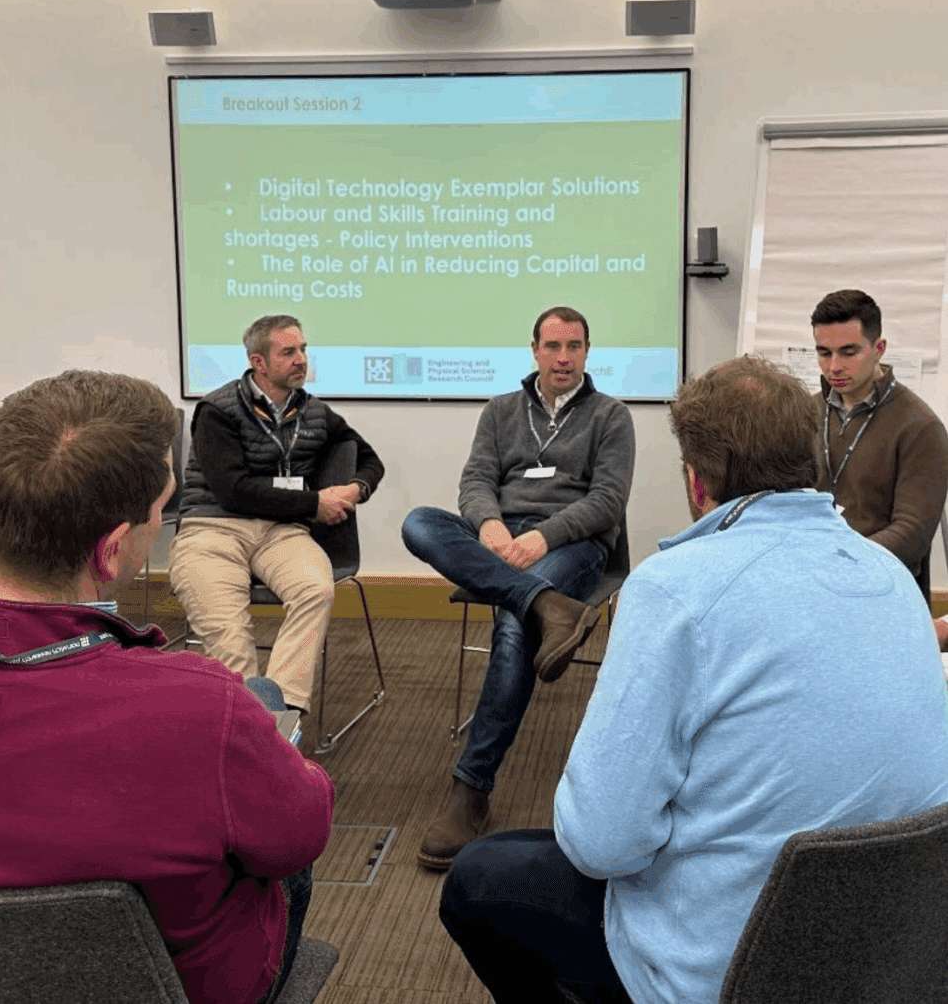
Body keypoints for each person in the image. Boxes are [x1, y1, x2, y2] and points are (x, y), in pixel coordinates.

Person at [438, 355, 948, 1004]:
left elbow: (601, 846)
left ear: (698, 483)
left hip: (730, 966)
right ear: (808, 460)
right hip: (896, 951)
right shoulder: (894, 582)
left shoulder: (676, 592)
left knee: (480, 878)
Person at [0, 370, 335, 1004]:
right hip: (188, 987)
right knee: (269, 723)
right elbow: (301, 834)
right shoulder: (201, 706)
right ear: (111, 550)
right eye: (160, 512)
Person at [402, 305, 635, 871]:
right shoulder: (502, 410)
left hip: (573, 547)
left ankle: (471, 789)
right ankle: (547, 606)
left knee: (511, 625)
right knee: (419, 523)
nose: (563, 357)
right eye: (553, 346)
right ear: (533, 349)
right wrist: (490, 526)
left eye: (574, 346)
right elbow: (476, 480)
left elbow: (607, 501)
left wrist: (543, 539)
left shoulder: (611, 415)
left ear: (586, 351)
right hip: (502, 540)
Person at [170, 314, 385, 715]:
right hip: (212, 530)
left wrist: (354, 489)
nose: (301, 359)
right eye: (288, 352)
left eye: (303, 349)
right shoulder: (217, 410)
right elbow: (233, 492)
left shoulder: (316, 413)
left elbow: (370, 460)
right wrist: (313, 504)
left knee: (315, 591)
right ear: (259, 362)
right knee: (231, 642)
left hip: (281, 532)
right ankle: (251, 723)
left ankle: (281, 715)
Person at [811, 289, 948, 596]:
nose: (834, 367)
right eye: (824, 353)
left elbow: (910, 536)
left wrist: (838, 563)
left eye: (849, 352)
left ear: (879, 348)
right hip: (813, 588)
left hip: (884, 595)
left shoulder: (921, 427)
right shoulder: (805, 413)